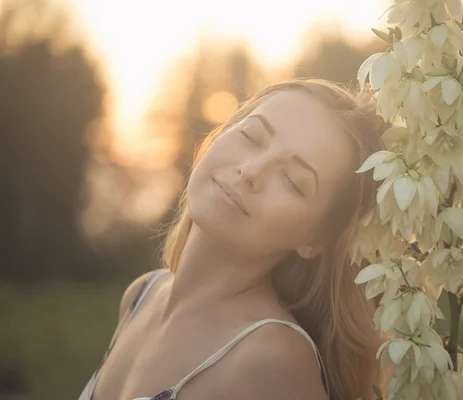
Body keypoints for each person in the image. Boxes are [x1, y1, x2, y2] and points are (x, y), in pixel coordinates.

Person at [79, 79, 385, 400]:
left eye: (292, 180)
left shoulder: (273, 364)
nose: (251, 171)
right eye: (251, 136)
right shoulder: (141, 296)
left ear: (315, 238)